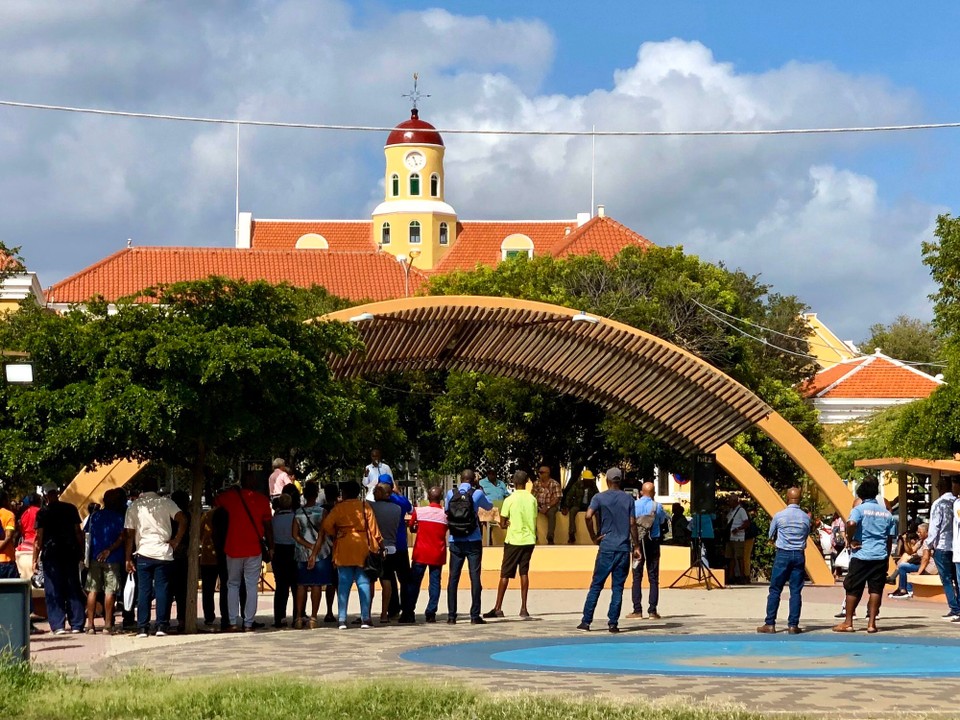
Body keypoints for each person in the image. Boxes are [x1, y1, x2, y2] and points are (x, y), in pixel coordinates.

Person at [578, 468, 640, 633]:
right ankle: (613, 623)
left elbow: (588, 516)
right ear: (620, 481)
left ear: (607, 481)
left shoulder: (599, 497)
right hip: (623, 548)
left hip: (606, 547)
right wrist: (637, 546)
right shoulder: (628, 499)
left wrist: (593, 536)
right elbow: (632, 523)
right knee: (618, 587)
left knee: (596, 585)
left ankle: (586, 621)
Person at [124, 476, 186, 638]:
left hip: (143, 552)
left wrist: (128, 558)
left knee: (144, 591)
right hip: (163, 551)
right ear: (157, 487)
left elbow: (129, 535)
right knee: (162, 589)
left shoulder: (135, 506)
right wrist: (176, 541)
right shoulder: (166, 503)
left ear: (141, 490)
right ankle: (161, 625)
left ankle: (143, 627)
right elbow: (182, 519)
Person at [833, 477, 896, 633]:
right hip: (880, 556)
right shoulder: (887, 514)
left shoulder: (859, 509)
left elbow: (851, 523)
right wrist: (886, 556)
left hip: (861, 554)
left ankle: (848, 622)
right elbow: (889, 539)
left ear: (861, 495)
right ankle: (872, 624)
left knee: (853, 588)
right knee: (876, 590)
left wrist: (850, 539)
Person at [316, 481, 381, 629]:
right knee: (363, 583)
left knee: (343, 584)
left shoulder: (338, 508)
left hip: (343, 546)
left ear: (344, 493)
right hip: (362, 546)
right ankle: (365, 618)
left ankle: (342, 620)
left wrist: (337, 533)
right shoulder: (365, 507)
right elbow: (374, 530)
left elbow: (326, 525)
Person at [215, 471, 274, 632]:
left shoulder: (231, 497)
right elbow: (268, 526)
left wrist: (232, 490)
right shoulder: (262, 500)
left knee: (232, 584)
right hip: (253, 548)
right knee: (251, 586)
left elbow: (216, 500)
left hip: (233, 548)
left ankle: (233, 622)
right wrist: (271, 546)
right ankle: (248, 622)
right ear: (255, 484)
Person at [483, 470, 537, 619]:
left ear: (514, 483)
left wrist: (506, 524)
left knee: (505, 573)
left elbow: (502, 522)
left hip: (514, 540)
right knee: (524, 572)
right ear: (526, 482)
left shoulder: (510, 499)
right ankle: (524, 608)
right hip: (529, 539)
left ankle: (498, 607)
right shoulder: (532, 499)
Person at [33, 482, 86, 635]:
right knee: (73, 587)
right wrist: (81, 551)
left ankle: (58, 625)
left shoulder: (43, 513)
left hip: (51, 554)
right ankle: (77, 623)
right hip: (70, 551)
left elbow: (39, 537)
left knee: (54, 589)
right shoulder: (70, 509)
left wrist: (35, 558)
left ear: (45, 494)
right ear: (57, 492)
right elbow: (78, 532)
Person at [757, 487, 810, 634]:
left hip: (782, 554)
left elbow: (770, 534)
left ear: (787, 498)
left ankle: (770, 623)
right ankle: (793, 625)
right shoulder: (805, 517)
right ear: (800, 499)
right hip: (799, 554)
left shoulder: (779, 516)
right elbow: (806, 535)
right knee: (796, 591)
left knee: (775, 589)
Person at [445, 469, 493, 624]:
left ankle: (452, 616)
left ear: (461, 479)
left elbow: (447, 511)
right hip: (473, 539)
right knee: (475, 577)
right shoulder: (477, 493)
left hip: (455, 539)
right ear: (473, 480)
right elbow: (489, 506)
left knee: (453, 577)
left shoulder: (450, 493)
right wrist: (480, 488)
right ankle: (474, 615)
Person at [83, 489, 126, 634]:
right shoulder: (119, 517)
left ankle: (90, 625)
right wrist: (109, 550)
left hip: (95, 557)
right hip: (112, 558)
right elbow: (122, 537)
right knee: (110, 591)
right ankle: (108, 625)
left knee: (92, 590)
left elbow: (87, 534)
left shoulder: (94, 516)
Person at [917, 476, 960, 620]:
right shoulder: (956, 502)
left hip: (942, 546)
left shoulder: (939, 504)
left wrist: (928, 545)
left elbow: (934, 527)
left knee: (946, 579)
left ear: (940, 488)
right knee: (957, 578)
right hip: (956, 546)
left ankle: (954, 608)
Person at [405, 486, 447, 623]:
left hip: (421, 553)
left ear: (428, 498)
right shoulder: (445, 514)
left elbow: (411, 526)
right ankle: (431, 612)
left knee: (414, 583)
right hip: (437, 553)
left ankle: (409, 611)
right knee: (435, 583)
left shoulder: (420, 511)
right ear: (441, 499)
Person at [292, 481, 331, 628]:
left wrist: (307, 546)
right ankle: (313, 618)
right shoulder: (322, 512)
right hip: (321, 553)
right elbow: (322, 533)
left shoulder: (298, 513)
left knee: (301, 585)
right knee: (316, 585)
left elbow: (294, 535)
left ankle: (299, 617)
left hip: (301, 553)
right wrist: (314, 552)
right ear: (316, 494)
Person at [627, 481, 668, 620]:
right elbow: (663, 521)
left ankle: (637, 610)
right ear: (654, 493)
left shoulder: (634, 505)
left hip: (637, 543)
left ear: (641, 492)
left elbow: (630, 522)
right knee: (653, 577)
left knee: (636, 576)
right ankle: (652, 611)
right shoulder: (658, 506)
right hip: (653, 542)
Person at [381, 475, 414, 622]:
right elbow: (411, 509)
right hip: (400, 544)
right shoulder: (400, 501)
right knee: (404, 579)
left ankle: (392, 609)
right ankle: (407, 610)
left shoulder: (376, 502)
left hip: (384, 546)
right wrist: (398, 493)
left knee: (388, 579)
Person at [371, 483, 402, 623]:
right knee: (387, 580)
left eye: (376, 491)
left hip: (374, 548)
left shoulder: (370, 507)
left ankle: (366, 612)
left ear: (385, 494)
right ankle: (385, 613)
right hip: (391, 548)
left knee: (369, 581)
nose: (373, 493)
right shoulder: (397, 509)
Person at [270, 490, 298, 628]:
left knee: (281, 587)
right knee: (295, 586)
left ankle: (279, 617)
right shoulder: (295, 517)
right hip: (293, 551)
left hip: (278, 552)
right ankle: (297, 616)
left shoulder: (274, 520)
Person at [889, 523, 934, 598]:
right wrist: (905, 541)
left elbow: (925, 559)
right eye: (917, 532)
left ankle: (904, 590)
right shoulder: (920, 542)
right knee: (904, 564)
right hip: (921, 565)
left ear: (927, 532)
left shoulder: (928, 542)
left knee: (903, 567)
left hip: (928, 567)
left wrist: (918, 572)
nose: (918, 534)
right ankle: (902, 588)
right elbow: (910, 551)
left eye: (920, 532)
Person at [168, 490, 191, 632]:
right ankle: (182, 619)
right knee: (182, 591)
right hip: (183, 555)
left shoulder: (169, 515)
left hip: (170, 554)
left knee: (168, 590)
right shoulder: (187, 516)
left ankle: (163, 620)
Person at [562, 470, 598, 544]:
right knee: (572, 511)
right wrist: (566, 506)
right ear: (584, 479)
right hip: (578, 504)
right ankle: (571, 533)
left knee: (598, 513)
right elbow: (569, 495)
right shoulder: (577, 485)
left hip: (590, 505)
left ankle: (599, 532)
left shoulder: (593, 486)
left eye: (590, 480)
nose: (589, 481)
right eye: (588, 480)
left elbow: (598, 496)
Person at [724, 495, 750, 584]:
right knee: (730, 557)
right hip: (730, 537)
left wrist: (738, 529)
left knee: (739, 557)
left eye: (730, 501)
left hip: (738, 538)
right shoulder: (731, 511)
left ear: (735, 501)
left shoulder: (741, 510)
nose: (729, 503)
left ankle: (742, 577)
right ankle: (731, 576)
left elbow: (746, 523)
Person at [533, 466, 562, 545]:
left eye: (542, 472)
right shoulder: (536, 483)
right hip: (539, 505)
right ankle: (533, 535)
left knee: (552, 514)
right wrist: (538, 507)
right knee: (530, 513)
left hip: (551, 506)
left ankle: (550, 536)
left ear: (548, 473)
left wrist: (547, 507)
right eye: (539, 472)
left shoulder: (554, 484)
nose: (539, 474)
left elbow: (557, 498)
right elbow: (533, 496)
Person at [0, 491, 17, 579]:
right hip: (6, 562)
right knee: (11, 591)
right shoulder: (8, 514)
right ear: (4, 501)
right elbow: (9, 537)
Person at [830, 511, 846, 579]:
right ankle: (837, 573)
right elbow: (842, 531)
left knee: (834, 557)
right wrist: (845, 540)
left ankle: (835, 572)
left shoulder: (833, 521)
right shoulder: (841, 521)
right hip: (840, 542)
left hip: (834, 541)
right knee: (839, 556)